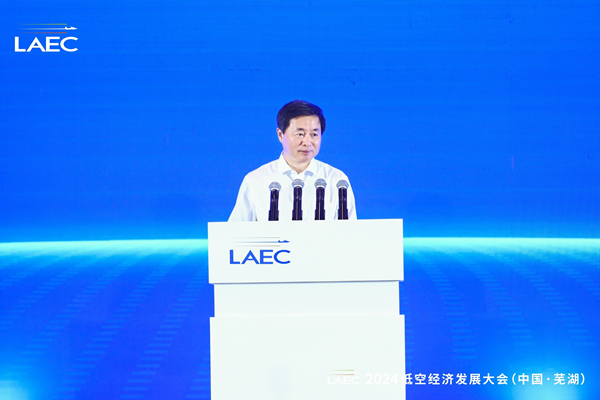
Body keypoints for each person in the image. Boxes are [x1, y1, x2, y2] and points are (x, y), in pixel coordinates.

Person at [228, 100, 357, 221]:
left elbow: (351, 232)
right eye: (300, 134)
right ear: (280, 135)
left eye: (314, 134)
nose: (307, 142)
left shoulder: (337, 180)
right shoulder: (256, 180)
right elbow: (235, 232)